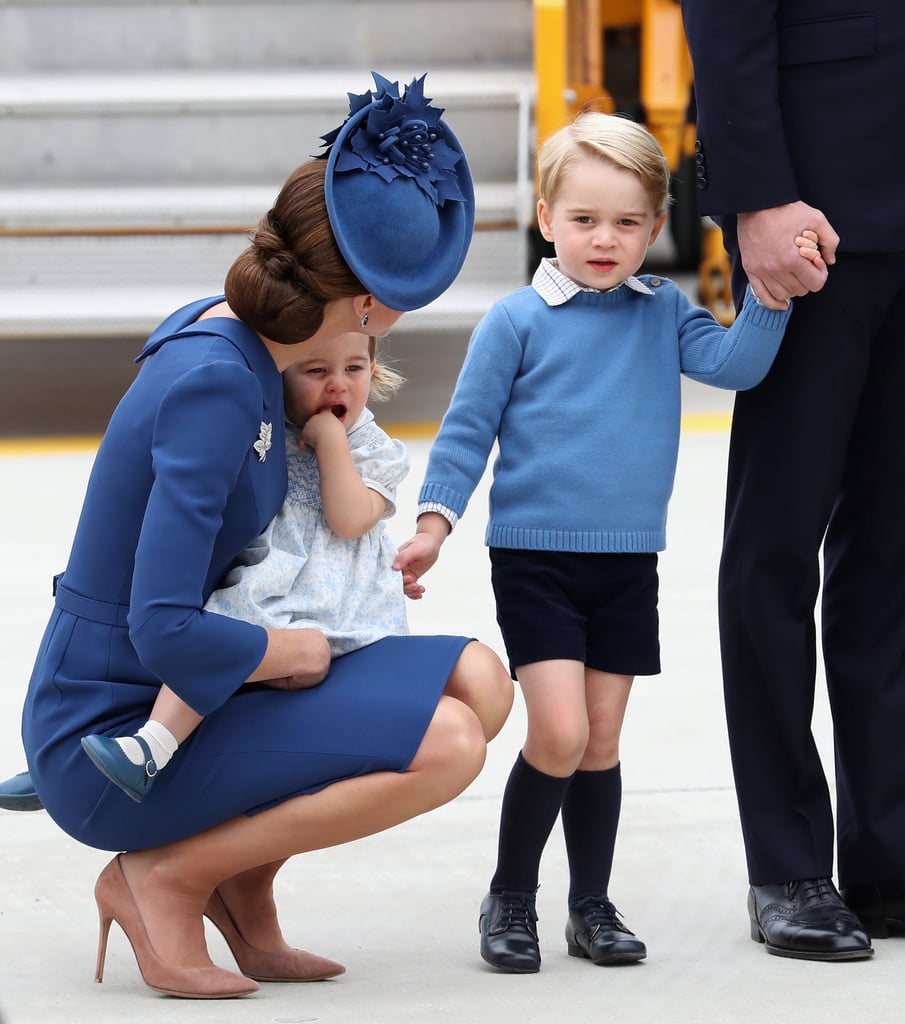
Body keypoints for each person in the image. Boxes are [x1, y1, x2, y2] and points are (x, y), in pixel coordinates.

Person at [16, 72, 514, 999]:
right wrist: (294, 645)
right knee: (448, 743)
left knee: (483, 682)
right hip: (119, 724)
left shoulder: (253, 350)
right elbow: (160, 628)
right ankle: (163, 877)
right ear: (367, 303)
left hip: (196, 687)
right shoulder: (219, 383)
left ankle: (243, 881)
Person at [392, 111, 808, 974]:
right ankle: (510, 895)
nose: (605, 239)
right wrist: (435, 523)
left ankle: (591, 905)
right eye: (584, 220)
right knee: (557, 733)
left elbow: (736, 367)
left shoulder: (664, 311)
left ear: (655, 227)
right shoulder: (514, 321)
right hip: (535, 559)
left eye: (627, 222)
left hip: (625, 562)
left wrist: (768, 298)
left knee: (602, 738)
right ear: (546, 218)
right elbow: (467, 432)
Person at [680, 0, 905, 962]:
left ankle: (888, 856)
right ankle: (785, 865)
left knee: (894, 556)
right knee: (775, 546)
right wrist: (756, 193)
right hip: (813, 200)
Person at [79, 331, 413, 801]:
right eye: (317, 371)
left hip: (330, 610)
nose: (338, 385)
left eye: (354, 369)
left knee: (228, 637)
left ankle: (147, 748)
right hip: (269, 584)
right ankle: (96, 760)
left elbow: (350, 520)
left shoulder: (375, 449)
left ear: (374, 372)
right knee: (208, 632)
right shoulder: (269, 428)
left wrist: (331, 441)